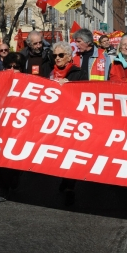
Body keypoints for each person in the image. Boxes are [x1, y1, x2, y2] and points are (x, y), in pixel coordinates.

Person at [42, 41, 87, 205]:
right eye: (55, 56)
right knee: (58, 152)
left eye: (61, 55)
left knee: (70, 153)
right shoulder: (48, 71)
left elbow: (86, 94)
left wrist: (71, 87)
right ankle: (64, 179)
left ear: (69, 57)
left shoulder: (79, 73)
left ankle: (70, 186)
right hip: (53, 117)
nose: (57, 58)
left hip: (72, 120)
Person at [0, 52, 27, 202]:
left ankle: (15, 177)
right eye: (9, 66)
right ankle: (3, 187)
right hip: (3, 126)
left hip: (21, 126)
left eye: (16, 67)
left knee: (16, 156)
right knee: (4, 158)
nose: (12, 70)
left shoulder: (30, 82)